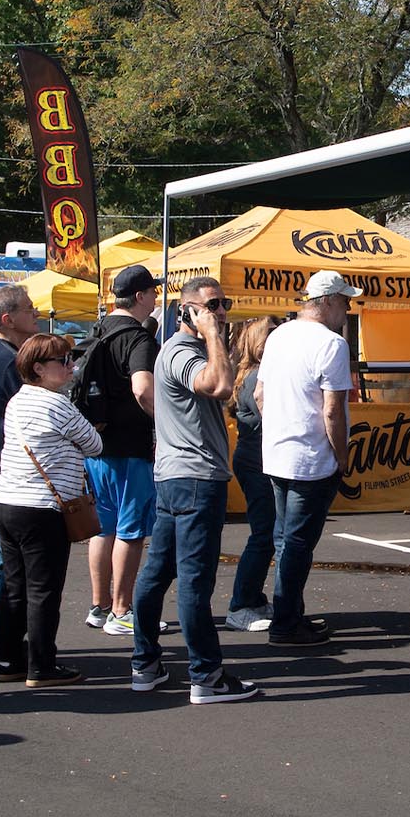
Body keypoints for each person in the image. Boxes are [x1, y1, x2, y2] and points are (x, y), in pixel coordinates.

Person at [130, 275, 259, 704]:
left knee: (158, 573)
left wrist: (214, 337)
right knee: (193, 581)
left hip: (176, 478)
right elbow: (219, 385)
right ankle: (206, 676)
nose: (221, 312)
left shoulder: (188, 349)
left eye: (224, 304)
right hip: (195, 480)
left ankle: (146, 664)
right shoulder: (183, 351)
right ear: (185, 311)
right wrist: (209, 333)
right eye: (211, 305)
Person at [0, 333, 104, 687]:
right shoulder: (57, 404)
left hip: (6, 500)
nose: (71, 366)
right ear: (38, 368)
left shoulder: (18, 400)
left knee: (15, 584)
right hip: (42, 506)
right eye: (62, 361)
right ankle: (42, 665)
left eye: (70, 359)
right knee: (44, 588)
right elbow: (95, 444)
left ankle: (8, 658)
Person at [256, 270, 358, 645]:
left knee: (286, 541)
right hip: (310, 460)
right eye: (345, 301)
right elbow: (333, 411)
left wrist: (281, 427)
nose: (348, 309)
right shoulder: (331, 344)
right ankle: (285, 623)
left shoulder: (279, 335)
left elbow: (260, 395)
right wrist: (342, 456)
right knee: (297, 543)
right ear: (328, 301)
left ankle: (290, 616)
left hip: (280, 454)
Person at [81, 264, 160, 636]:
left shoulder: (97, 331)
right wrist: (166, 424)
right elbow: (143, 388)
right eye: (153, 293)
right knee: (131, 531)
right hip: (129, 448)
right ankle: (122, 610)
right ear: (141, 296)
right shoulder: (138, 338)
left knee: (105, 528)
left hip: (96, 446)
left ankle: (100, 606)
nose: (157, 299)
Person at [0, 285, 38, 662]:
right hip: (3, 464)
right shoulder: (4, 358)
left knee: (8, 557)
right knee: (11, 559)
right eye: (29, 310)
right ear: (7, 318)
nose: (35, 314)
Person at [225, 317, 282, 632]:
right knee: (264, 535)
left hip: (254, 459)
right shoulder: (257, 376)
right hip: (256, 461)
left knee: (267, 534)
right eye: (272, 334)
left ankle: (253, 599)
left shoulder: (250, 373)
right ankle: (242, 604)